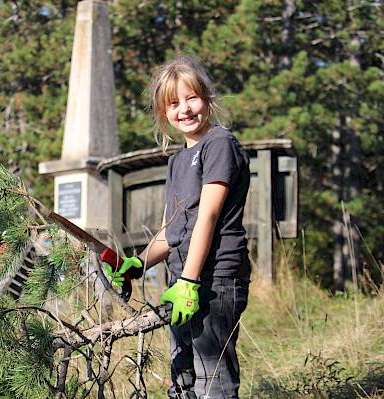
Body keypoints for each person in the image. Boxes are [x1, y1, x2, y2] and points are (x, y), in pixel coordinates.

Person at [103, 55, 251, 398]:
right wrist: (138, 263)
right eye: (173, 103)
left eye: (191, 98)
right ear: (163, 112)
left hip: (214, 279)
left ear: (207, 99)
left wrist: (190, 281)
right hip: (182, 280)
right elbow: (172, 230)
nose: (184, 109)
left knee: (212, 379)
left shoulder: (220, 144)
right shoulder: (178, 160)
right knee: (181, 375)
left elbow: (207, 216)